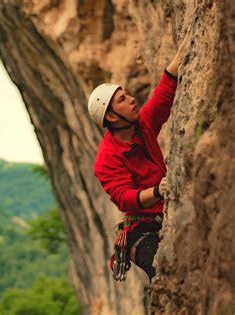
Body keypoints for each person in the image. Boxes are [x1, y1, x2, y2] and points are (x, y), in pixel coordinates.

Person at [87, 36, 189, 282]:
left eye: (126, 95)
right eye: (122, 100)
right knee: (166, 276)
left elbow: (162, 97)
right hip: (141, 229)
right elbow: (124, 198)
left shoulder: (142, 127)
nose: (132, 99)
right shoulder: (107, 158)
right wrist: (158, 190)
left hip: (164, 212)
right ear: (111, 117)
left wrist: (183, 51)